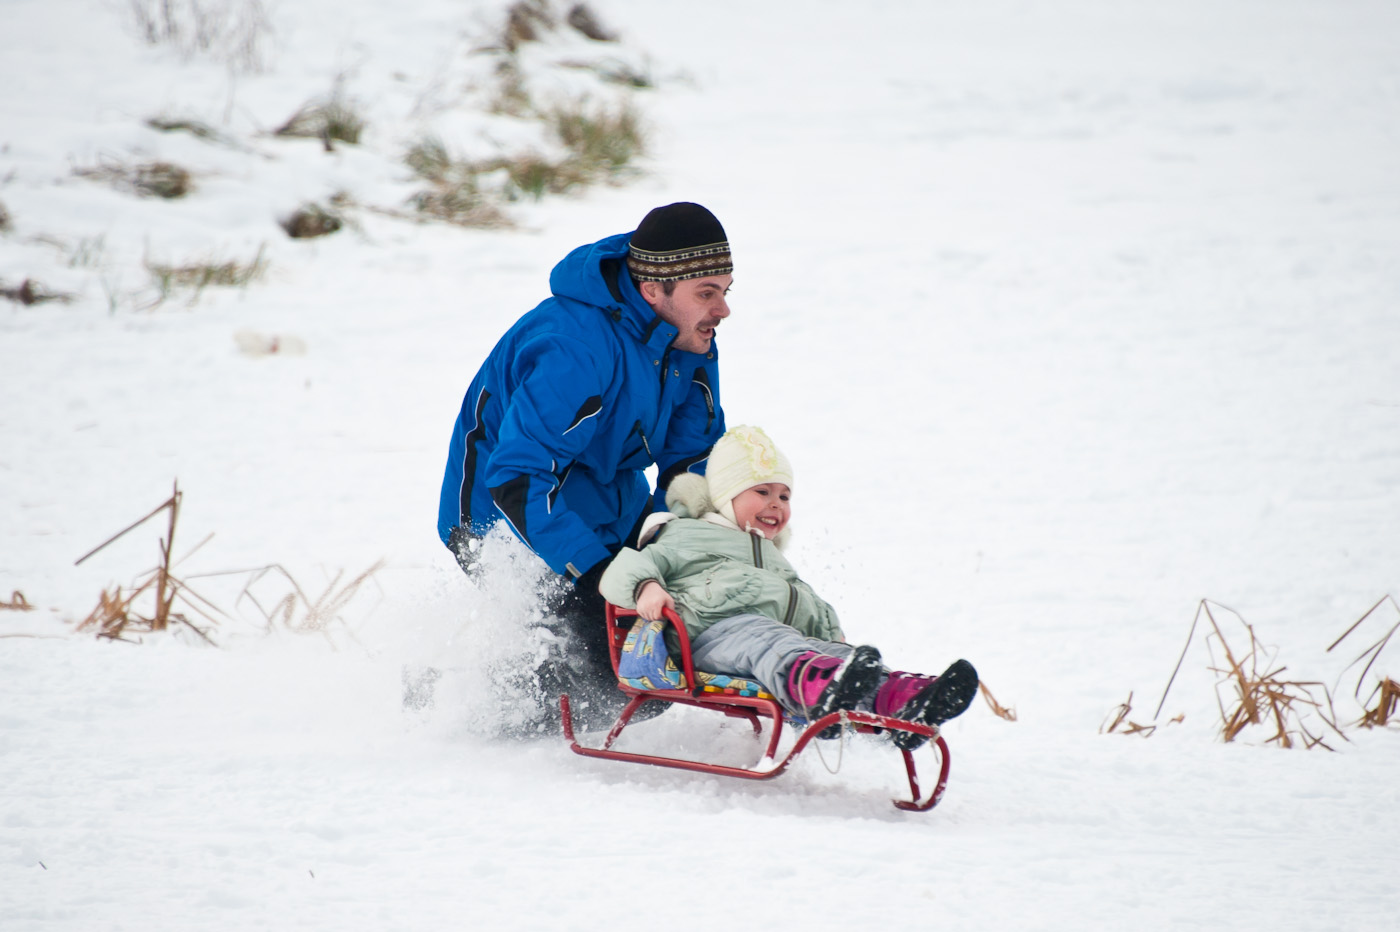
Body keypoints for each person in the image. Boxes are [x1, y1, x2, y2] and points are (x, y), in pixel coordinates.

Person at [437, 203, 732, 731]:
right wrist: (603, 578)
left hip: (604, 505)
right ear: (653, 291)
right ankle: (456, 708)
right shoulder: (574, 348)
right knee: (620, 667)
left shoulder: (687, 339)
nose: (723, 310)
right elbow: (517, 477)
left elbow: (693, 462)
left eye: (725, 290)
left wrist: (674, 547)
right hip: (503, 522)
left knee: (680, 631)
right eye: (706, 293)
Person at [599, 425, 979, 747]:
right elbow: (625, 567)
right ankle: (820, 691)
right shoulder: (685, 534)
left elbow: (804, 601)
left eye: (784, 495)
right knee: (767, 638)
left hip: (770, 642)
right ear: (725, 496)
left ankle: (902, 699)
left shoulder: (773, 558)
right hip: (705, 637)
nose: (776, 504)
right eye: (761, 492)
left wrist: (835, 637)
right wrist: (646, 587)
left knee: (826, 651)